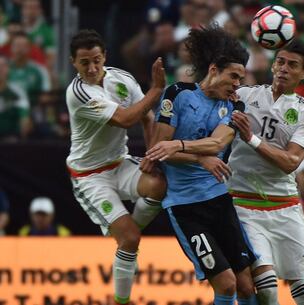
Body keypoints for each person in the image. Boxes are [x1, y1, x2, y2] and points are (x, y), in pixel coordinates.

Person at [143, 25, 257, 305]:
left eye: (241, 79)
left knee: (246, 285)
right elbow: (159, 149)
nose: (236, 85)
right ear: (214, 68)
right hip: (185, 207)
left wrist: (181, 146)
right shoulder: (177, 94)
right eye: (233, 76)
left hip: (219, 200)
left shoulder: (234, 107)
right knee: (227, 283)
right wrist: (199, 157)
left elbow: (217, 144)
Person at [66, 29, 166, 305]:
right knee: (132, 239)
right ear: (73, 63)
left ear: (105, 56)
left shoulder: (122, 79)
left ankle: (127, 240)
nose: (92, 67)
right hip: (89, 177)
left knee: (159, 184)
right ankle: (121, 301)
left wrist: (151, 155)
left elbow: (146, 117)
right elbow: (124, 119)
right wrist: (156, 90)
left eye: (96, 60)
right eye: (84, 62)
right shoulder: (78, 93)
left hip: (119, 163)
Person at [227, 39, 304, 305]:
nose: (284, 69)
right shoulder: (244, 96)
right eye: (280, 61)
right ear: (272, 65)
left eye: (293, 65)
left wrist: (251, 138)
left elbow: (291, 161)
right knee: (267, 288)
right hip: (244, 206)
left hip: (285, 206)